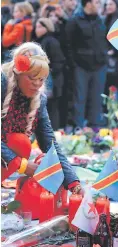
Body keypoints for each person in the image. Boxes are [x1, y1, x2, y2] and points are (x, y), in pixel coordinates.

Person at [1, 42, 81, 195]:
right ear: (18, 73)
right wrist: (22, 165)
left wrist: (73, 183)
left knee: (21, 143)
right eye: (32, 78)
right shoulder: (1, 84)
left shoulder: (39, 100)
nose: (37, 84)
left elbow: (50, 144)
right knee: (19, 142)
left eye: (42, 79)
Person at [64, 0, 108, 128]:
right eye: (96, 2)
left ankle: (94, 129)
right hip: (80, 66)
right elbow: (68, 45)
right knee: (79, 98)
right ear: (88, 4)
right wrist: (73, 64)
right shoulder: (74, 21)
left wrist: (105, 55)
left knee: (97, 99)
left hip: (99, 65)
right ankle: (78, 128)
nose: (99, 5)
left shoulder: (101, 21)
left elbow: (104, 40)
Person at [33, 17, 66, 130]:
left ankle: (53, 133)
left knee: (51, 109)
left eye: (39, 27)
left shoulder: (50, 41)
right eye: (36, 27)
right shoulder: (42, 41)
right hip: (45, 80)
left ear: (47, 28)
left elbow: (58, 62)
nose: (36, 29)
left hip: (52, 81)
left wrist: (46, 72)